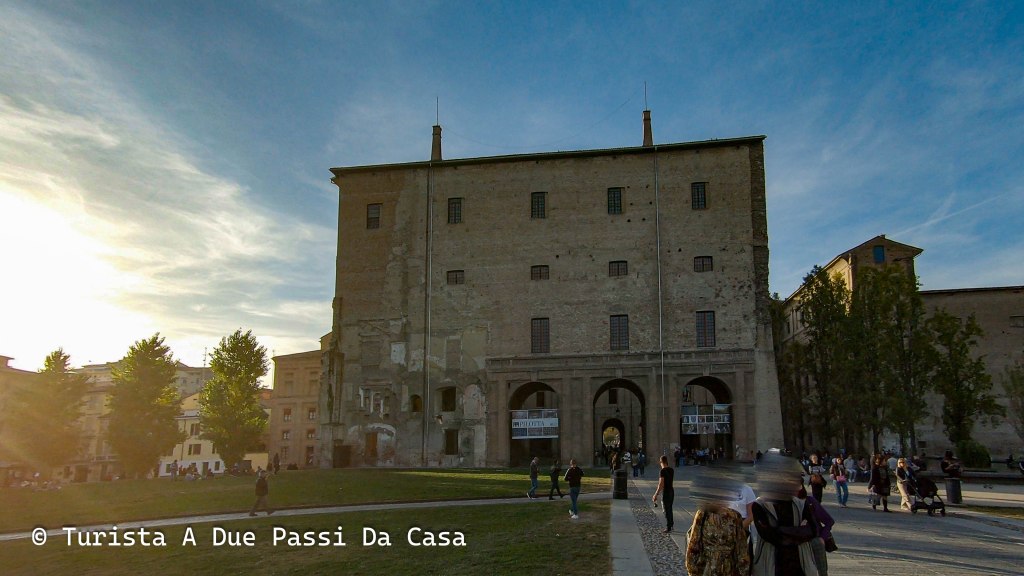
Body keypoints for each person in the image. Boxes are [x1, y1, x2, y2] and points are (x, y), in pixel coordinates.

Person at [750, 459, 819, 576]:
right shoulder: (760, 505)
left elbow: (813, 530)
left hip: (800, 564)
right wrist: (798, 532)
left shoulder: (801, 504)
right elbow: (769, 535)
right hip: (772, 564)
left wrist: (781, 531)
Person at [685, 500, 751, 576]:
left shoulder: (734, 516)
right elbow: (694, 544)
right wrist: (692, 569)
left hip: (728, 569)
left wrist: (743, 570)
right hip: (706, 568)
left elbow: (741, 547)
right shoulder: (703, 514)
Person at [798, 484, 834, 576]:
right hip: (796, 540)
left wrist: (822, 537)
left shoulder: (810, 501)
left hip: (814, 539)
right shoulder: (785, 502)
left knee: (822, 571)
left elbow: (829, 520)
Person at [651, 455, 675, 533]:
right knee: (670, 508)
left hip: (666, 492)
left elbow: (661, 484)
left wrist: (656, 494)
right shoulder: (671, 470)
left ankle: (668, 527)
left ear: (661, 462)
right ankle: (671, 525)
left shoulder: (662, 471)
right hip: (671, 491)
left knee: (665, 510)